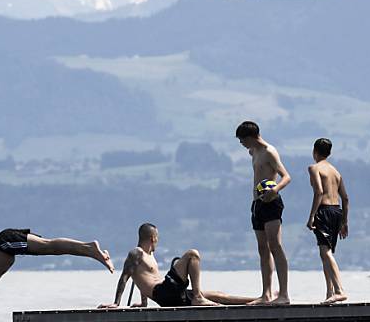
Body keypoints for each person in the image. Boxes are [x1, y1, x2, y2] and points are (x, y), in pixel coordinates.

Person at [0, 229, 114, 322]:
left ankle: (90, 248)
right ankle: (91, 250)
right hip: (9, 247)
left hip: (4, 243)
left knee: (48, 246)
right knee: (51, 249)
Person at [98, 223, 254, 309]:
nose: (158, 241)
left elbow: (142, 279)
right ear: (153, 238)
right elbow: (125, 277)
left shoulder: (150, 256)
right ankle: (198, 298)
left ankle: (257, 300)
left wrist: (143, 303)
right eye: (157, 238)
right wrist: (116, 303)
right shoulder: (136, 253)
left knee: (217, 295)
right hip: (163, 292)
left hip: (169, 294)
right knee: (192, 254)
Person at [236, 120, 292, 305]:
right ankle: (266, 294)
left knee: (275, 245)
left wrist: (275, 190)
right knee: (262, 249)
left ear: (251, 137)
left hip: (271, 203)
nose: (241, 144)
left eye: (243, 140)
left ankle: (284, 294)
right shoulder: (253, 151)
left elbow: (286, 176)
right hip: (257, 204)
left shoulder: (269, 151)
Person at [306, 138, 349, 304]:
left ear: (314, 151)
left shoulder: (314, 168)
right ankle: (329, 292)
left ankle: (339, 290)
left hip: (323, 211)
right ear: (329, 153)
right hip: (336, 211)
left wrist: (311, 216)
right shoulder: (336, 172)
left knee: (325, 252)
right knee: (327, 253)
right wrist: (344, 222)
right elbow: (345, 198)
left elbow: (318, 192)